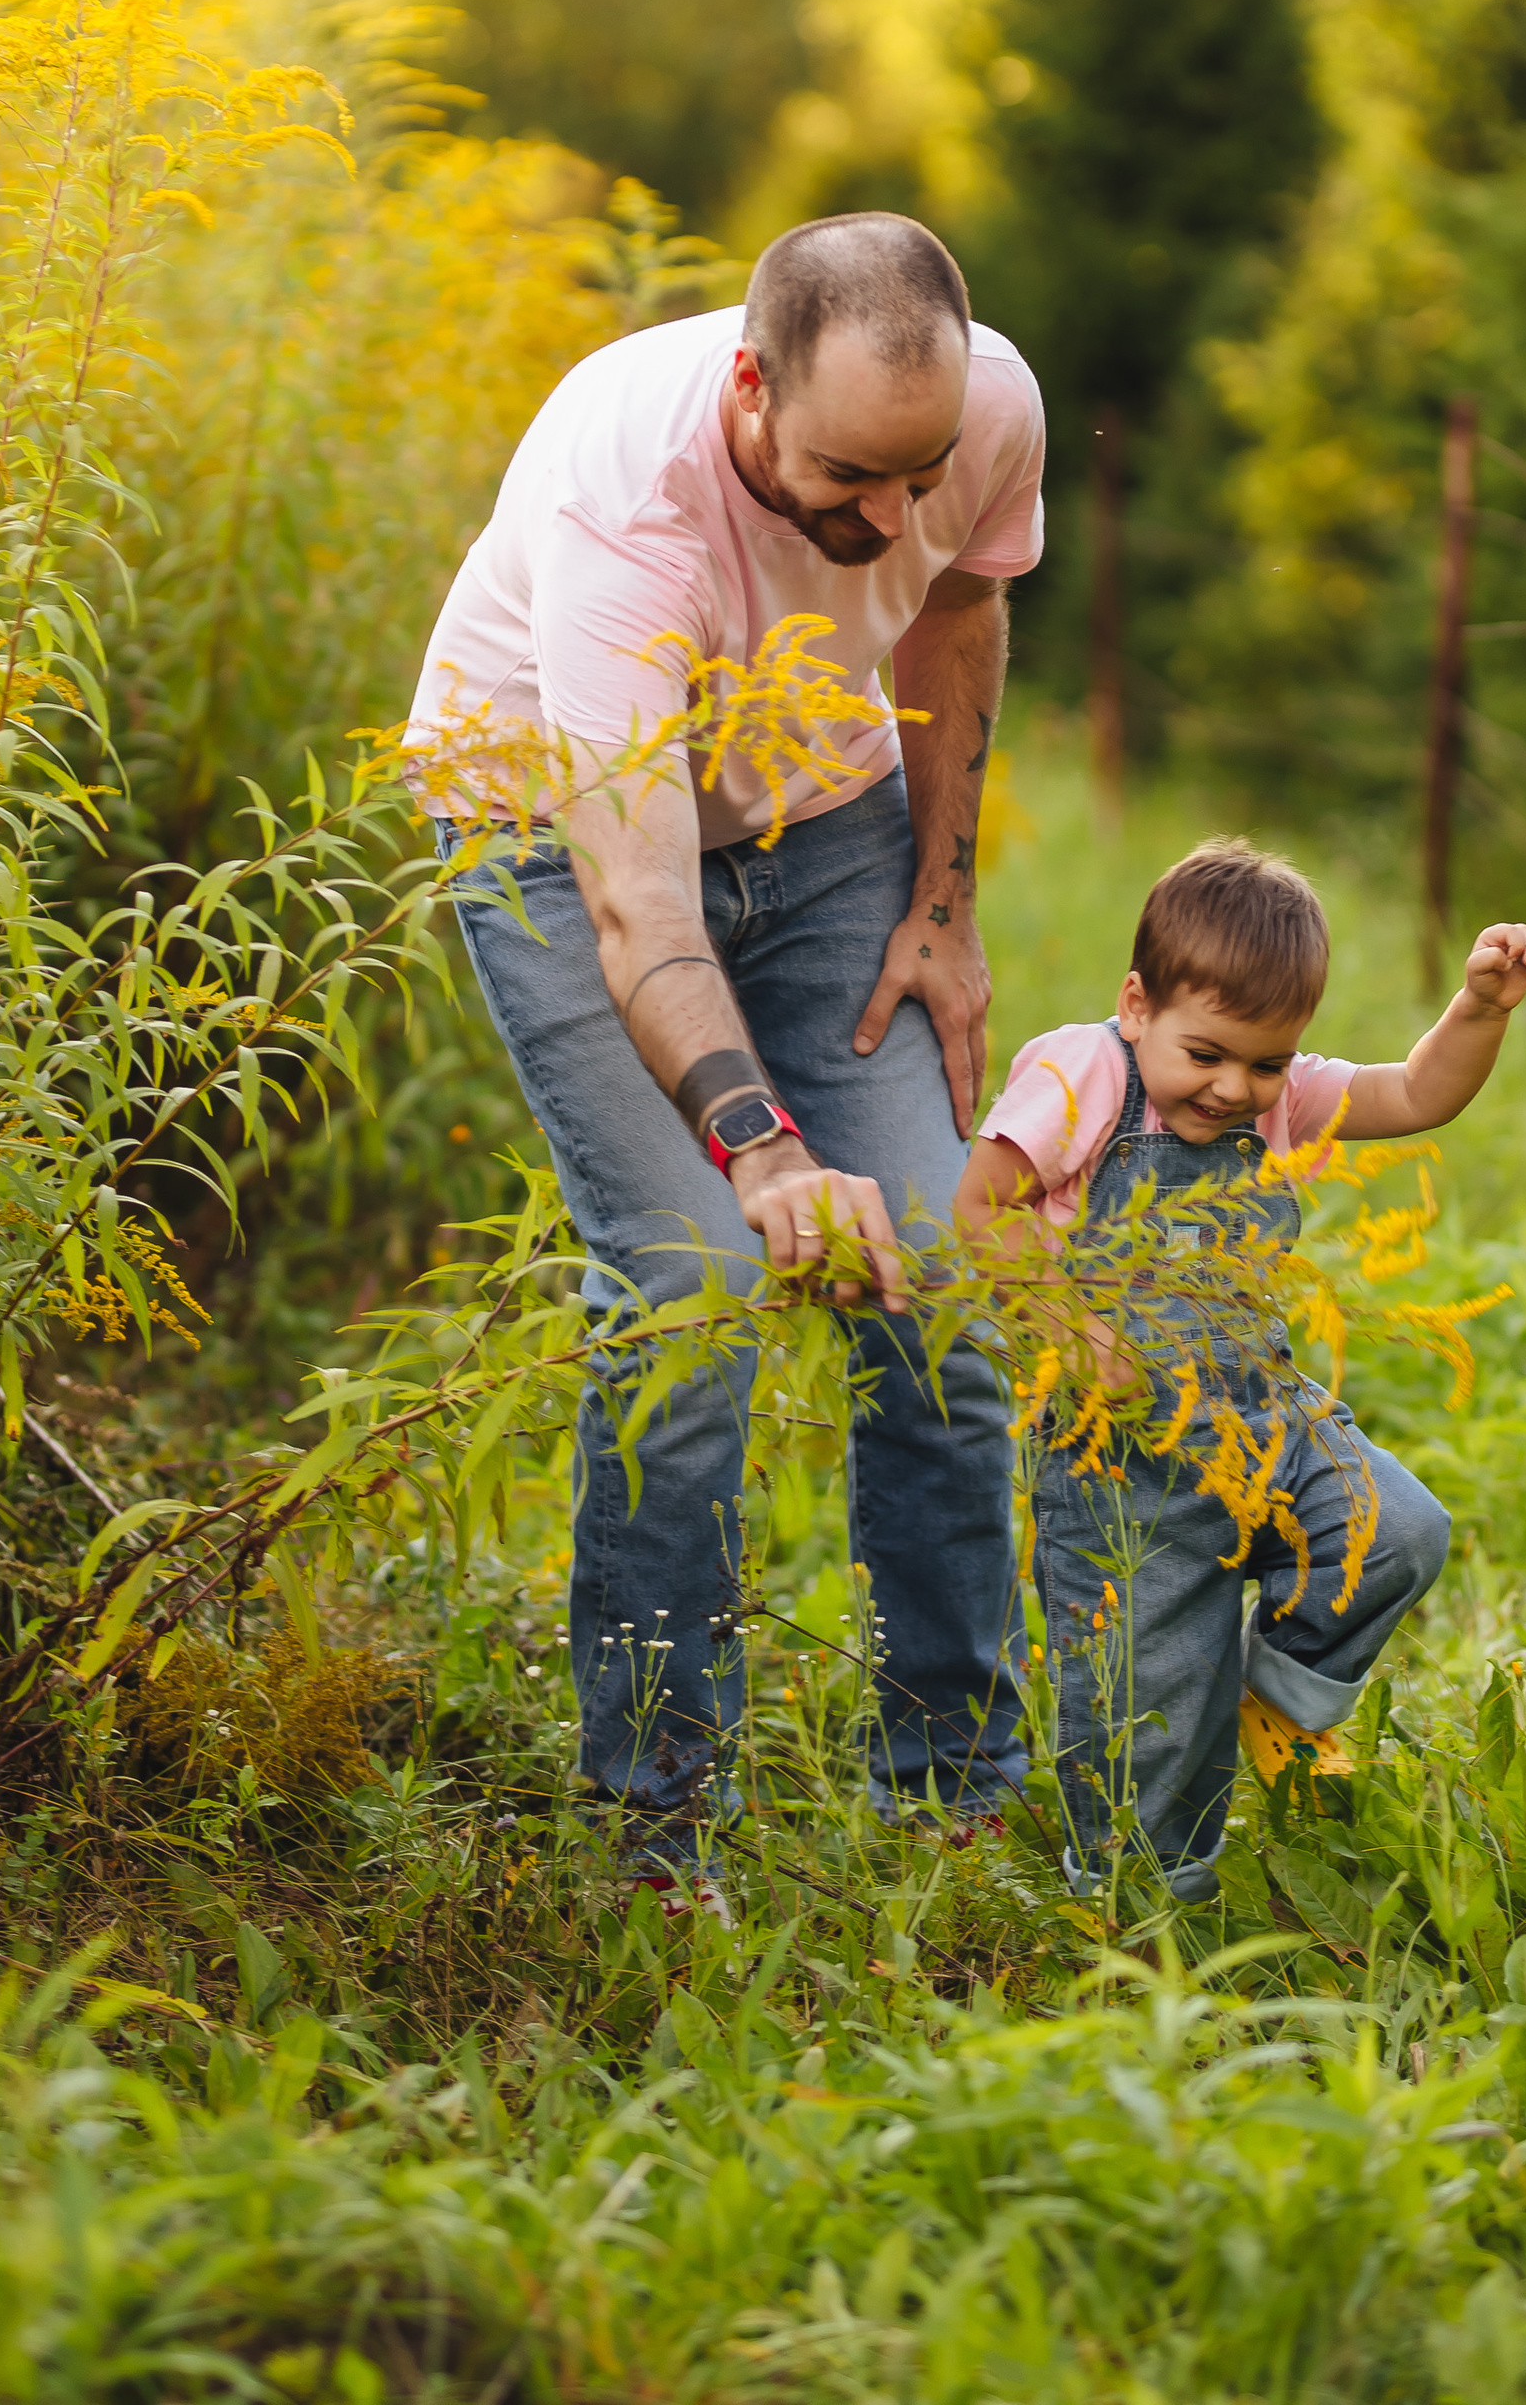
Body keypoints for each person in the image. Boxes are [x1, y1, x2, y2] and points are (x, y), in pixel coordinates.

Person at [410, 212, 1043, 1861]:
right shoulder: (626, 516)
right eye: (852, 477)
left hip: (824, 818)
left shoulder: (986, 408)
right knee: (693, 1283)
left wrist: (944, 905)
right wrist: (761, 1156)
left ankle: (952, 1794)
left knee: (944, 1270)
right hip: (556, 837)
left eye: (922, 472)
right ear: (753, 389)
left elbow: (960, 615)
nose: (892, 513)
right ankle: (655, 1820)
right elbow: (645, 920)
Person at [956, 838, 1526, 1907]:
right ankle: (1138, 1910)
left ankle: (1275, 1703)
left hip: (1257, 1411)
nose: (1235, 1090)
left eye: (1269, 1064)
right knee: (1142, 1706)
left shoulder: (1267, 1098)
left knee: (1395, 1532)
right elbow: (982, 1211)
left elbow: (1415, 1094)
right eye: (1208, 1055)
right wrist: (1072, 1326)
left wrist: (1481, 1009)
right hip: (1118, 1459)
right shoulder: (1083, 1072)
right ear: (1136, 1004)